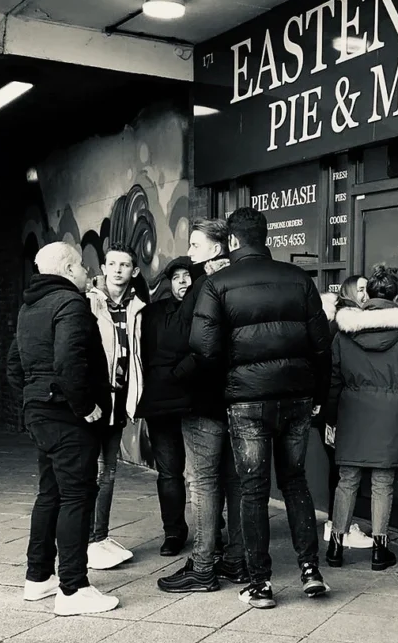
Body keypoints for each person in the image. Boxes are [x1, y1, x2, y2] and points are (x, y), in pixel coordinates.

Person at [190, 206, 332, 609]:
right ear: (265, 238)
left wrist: (228, 380)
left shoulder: (217, 284)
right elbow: (322, 346)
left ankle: (261, 584)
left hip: (247, 399)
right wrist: (319, 395)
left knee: (253, 489)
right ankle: (310, 571)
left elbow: (203, 347)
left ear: (232, 241)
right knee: (295, 481)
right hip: (298, 398)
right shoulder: (299, 279)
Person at [6, 243, 119, 615]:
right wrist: (85, 406)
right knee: (77, 496)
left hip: (40, 411)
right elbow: (69, 358)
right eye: (84, 265)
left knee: (50, 494)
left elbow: (13, 365)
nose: (89, 272)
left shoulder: (29, 306)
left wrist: (34, 397)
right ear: (70, 268)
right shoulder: (70, 304)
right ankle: (73, 588)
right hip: (67, 415)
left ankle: (38, 579)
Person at [325, 263, 398, 571]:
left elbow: (332, 380)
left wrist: (332, 417)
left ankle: (335, 547)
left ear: (368, 297)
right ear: (396, 295)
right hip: (391, 416)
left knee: (347, 480)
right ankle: (379, 550)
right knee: (383, 483)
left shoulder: (345, 333)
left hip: (352, 413)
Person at [158, 218, 249, 593]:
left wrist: (176, 375)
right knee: (235, 481)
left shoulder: (204, 284)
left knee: (206, 483)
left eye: (195, 245)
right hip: (241, 395)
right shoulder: (244, 278)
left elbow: (184, 336)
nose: (190, 252)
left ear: (216, 248)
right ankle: (237, 560)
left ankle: (203, 565)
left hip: (206, 399)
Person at [86, 243, 146, 570]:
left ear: (134, 271)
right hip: (95, 400)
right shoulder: (90, 302)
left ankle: (100, 536)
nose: (118, 270)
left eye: (125, 265)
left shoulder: (137, 306)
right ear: (104, 268)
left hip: (119, 400)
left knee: (109, 471)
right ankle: (88, 542)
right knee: (93, 471)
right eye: (112, 264)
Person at [136, 257, 196, 557]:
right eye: (177, 277)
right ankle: (174, 531)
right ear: (169, 282)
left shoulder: (207, 309)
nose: (183, 281)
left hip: (198, 403)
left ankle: (212, 526)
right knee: (169, 472)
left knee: (203, 474)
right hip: (163, 403)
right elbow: (144, 357)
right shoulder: (153, 313)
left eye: (188, 276)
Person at [318, 276, 373, 557]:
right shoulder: (344, 324)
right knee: (342, 469)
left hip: (334, 408)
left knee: (339, 467)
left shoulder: (339, 323)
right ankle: (340, 525)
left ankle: (336, 523)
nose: (366, 294)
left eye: (367, 289)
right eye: (361, 289)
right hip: (336, 409)